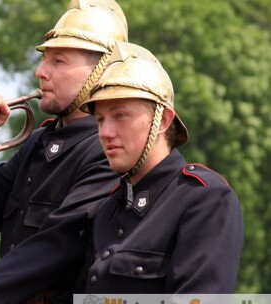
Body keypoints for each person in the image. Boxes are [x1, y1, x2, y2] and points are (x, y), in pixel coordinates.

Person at [0, 0, 128, 303]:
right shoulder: (39, 142)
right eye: (44, 60)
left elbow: (53, 247)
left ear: (103, 69)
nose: (40, 72)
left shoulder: (108, 151)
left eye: (58, 62)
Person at [78, 41, 244, 293]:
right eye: (100, 120)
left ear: (164, 120)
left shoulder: (204, 198)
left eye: (120, 115)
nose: (105, 132)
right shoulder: (107, 209)